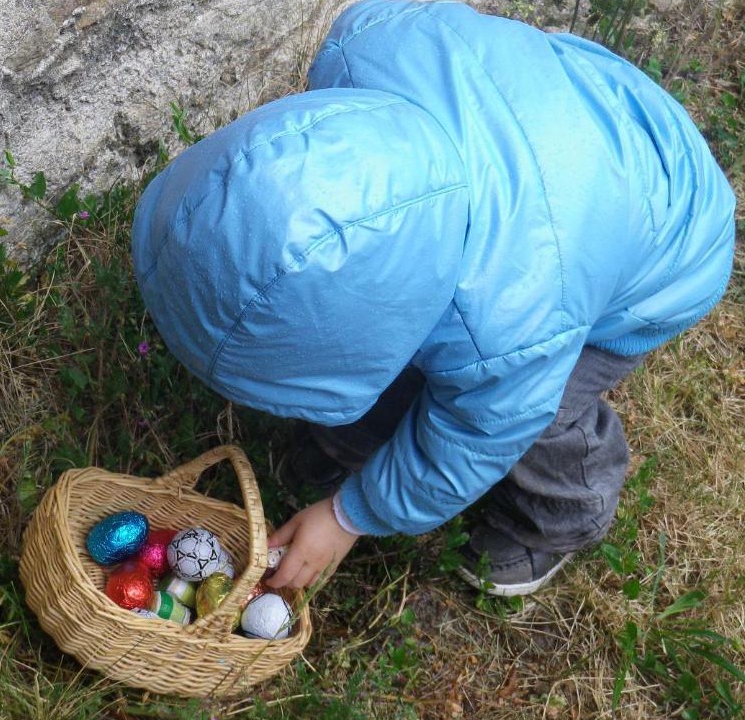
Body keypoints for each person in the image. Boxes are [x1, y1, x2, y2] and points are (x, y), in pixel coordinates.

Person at [130, 0, 736, 596]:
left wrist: (350, 516)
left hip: (668, 237)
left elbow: (480, 432)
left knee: (539, 411)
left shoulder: (514, 322)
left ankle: (561, 515)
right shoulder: (359, 49)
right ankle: (362, 433)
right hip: (572, 118)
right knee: (425, 352)